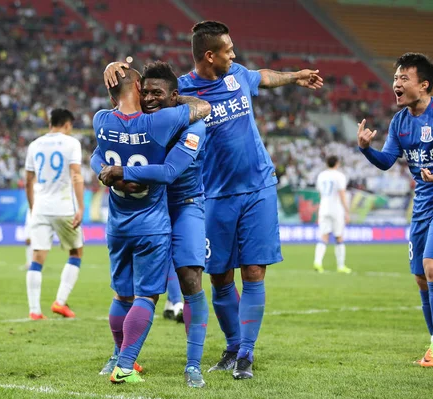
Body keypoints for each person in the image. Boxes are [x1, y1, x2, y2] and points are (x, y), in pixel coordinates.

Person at [104, 19, 323, 380]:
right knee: (220, 278)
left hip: (258, 186)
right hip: (214, 194)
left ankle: (246, 354)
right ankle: (233, 345)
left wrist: (296, 75)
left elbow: (263, 76)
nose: (234, 55)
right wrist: (115, 68)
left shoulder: (236, 74)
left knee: (253, 271)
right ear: (209, 55)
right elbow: (141, 96)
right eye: (228, 50)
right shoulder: (180, 90)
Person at [93, 61, 210, 388]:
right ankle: (121, 357)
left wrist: (120, 173)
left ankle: (193, 364)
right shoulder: (152, 121)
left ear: (175, 95)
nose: (149, 98)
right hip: (151, 210)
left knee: (190, 281)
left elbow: (170, 172)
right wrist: (104, 168)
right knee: (138, 294)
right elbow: (97, 152)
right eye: (144, 92)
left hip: (183, 206)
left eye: (157, 93)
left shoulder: (192, 127)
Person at [357, 52, 433, 367]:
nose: (396, 83)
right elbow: (386, 161)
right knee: (422, 278)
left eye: (403, 78)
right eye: (395, 78)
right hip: (421, 206)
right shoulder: (400, 122)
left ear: (423, 85)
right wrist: (366, 149)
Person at [24, 108, 85, 320]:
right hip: (63, 207)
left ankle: (34, 310)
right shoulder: (71, 143)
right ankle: (60, 302)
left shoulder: (35, 145)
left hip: (40, 207)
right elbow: (76, 175)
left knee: (37, 258)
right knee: (76, 252)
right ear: (67, 124)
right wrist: (81, 208)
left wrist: (33, 208)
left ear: (51, 123)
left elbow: (28, 181)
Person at [313, 155, 351, 274]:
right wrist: (347, 211)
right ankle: (341, 266)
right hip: (336, 209)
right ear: (337, 163)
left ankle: (318, 262)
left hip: (324, 208)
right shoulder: (339, 176)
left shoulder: (321, 175)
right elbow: (342, 194)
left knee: (324, 236)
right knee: (339, 237)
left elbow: (319, 194)